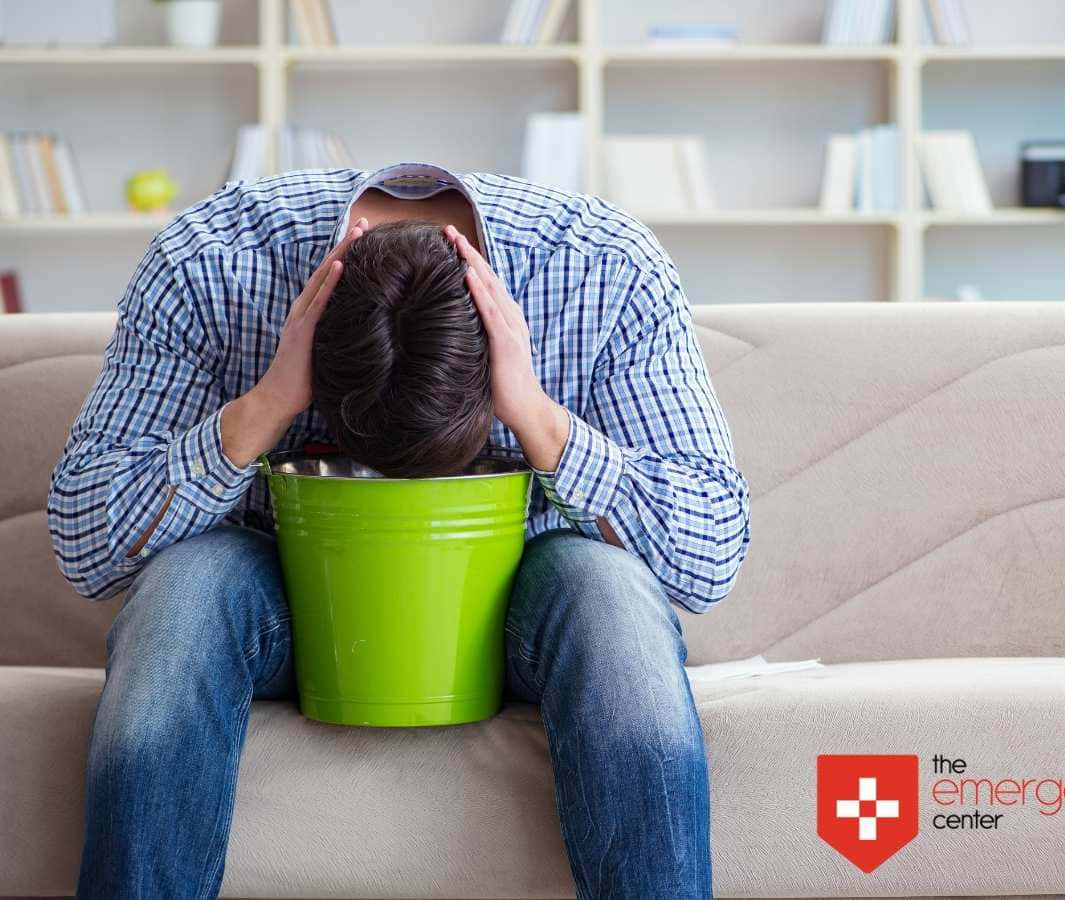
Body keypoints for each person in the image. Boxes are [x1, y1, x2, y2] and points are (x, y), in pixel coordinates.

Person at [48, 162, 751, 899]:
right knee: (184, 592)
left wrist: (537, 418)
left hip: (519, 608)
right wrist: (268, 406)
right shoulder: (211, 261)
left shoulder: (605, 267)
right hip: (293, 603)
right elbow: (86, 545)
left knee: (610, 594)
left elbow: (709, 557)